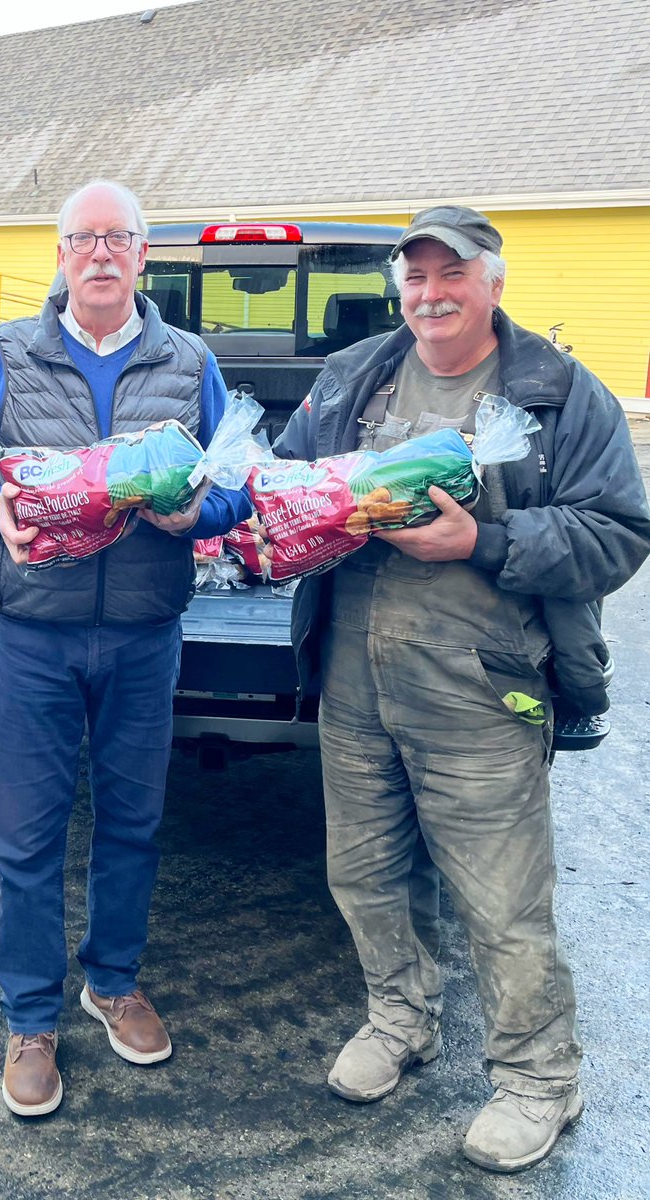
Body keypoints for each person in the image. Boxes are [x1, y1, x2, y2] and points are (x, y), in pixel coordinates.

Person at [275, 205, 650, 1172]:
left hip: (484, 685)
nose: (431, 294)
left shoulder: (559, 395)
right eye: (417, 276)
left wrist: (481, 540)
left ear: (494, 281)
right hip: (354, 676)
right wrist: (259, 506)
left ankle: (540, 1080)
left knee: (501, 899)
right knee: (365, 874)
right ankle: (400, 1020)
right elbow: (291, 480)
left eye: (453, 274)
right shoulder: (355, 376)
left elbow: (618, 533)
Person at [0, 180, 251, 1117]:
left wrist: (200, 513)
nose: (102, 253)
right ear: (62, 256)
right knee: (24, 832)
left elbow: (239, 482)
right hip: (34, 634)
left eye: (119, 238)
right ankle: (31, 1017)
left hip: (145, 635)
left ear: (143, 256)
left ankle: (112, 982)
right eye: (84, 238)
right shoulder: (8, 352)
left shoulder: (189, 360)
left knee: (132, 821)